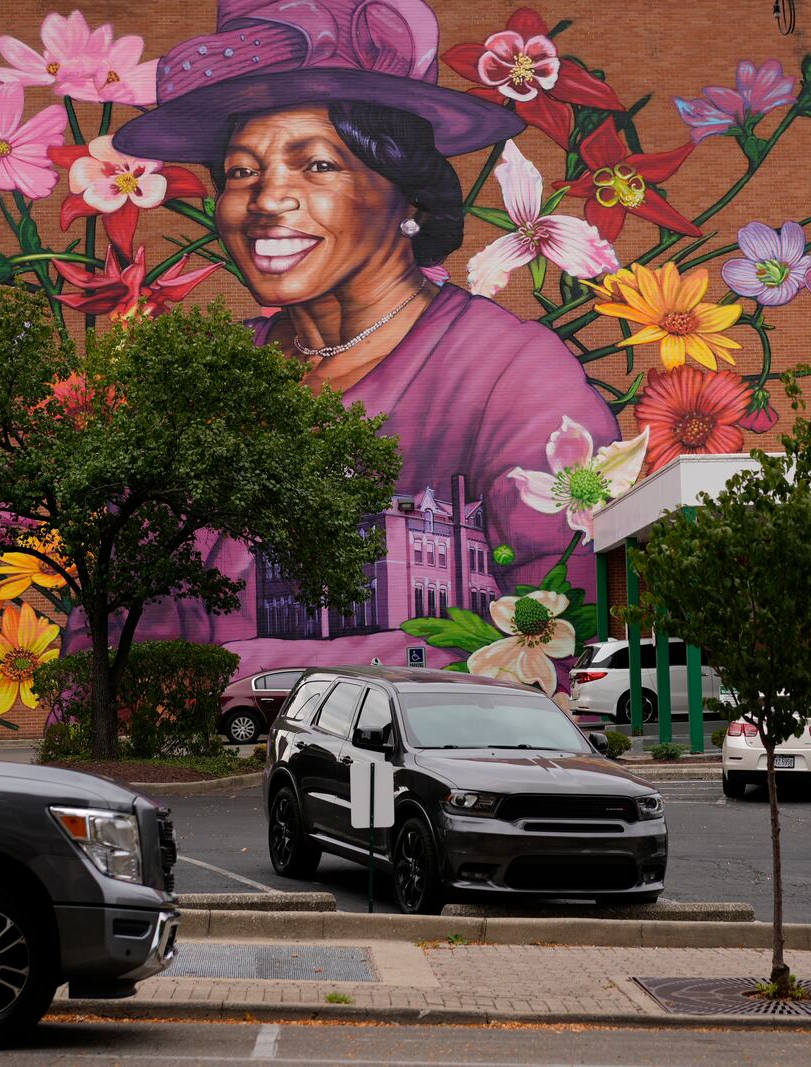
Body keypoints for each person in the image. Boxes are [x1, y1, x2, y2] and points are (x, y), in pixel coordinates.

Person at [96, 0, 620, 687]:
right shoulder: (201, 381)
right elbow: (108, 620)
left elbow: (551, 631)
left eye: (315, 165)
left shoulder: (514, 378)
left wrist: (224, 675)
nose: (264, 200)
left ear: (406, 197)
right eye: (240, 172)